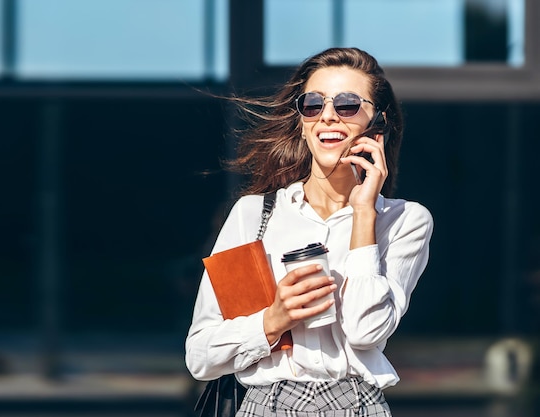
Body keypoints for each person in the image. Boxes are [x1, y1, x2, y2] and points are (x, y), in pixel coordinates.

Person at [185, 47, 433, 417]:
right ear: (301, 122)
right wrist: (273, 320)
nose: (328, 116)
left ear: (377, 123)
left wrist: (364, 211)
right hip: (265, 404)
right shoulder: (253, 216)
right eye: (313, 104)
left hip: (356, 405)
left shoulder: (404, 220)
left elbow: (366, 332)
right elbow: (201, 356)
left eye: (348, 105)